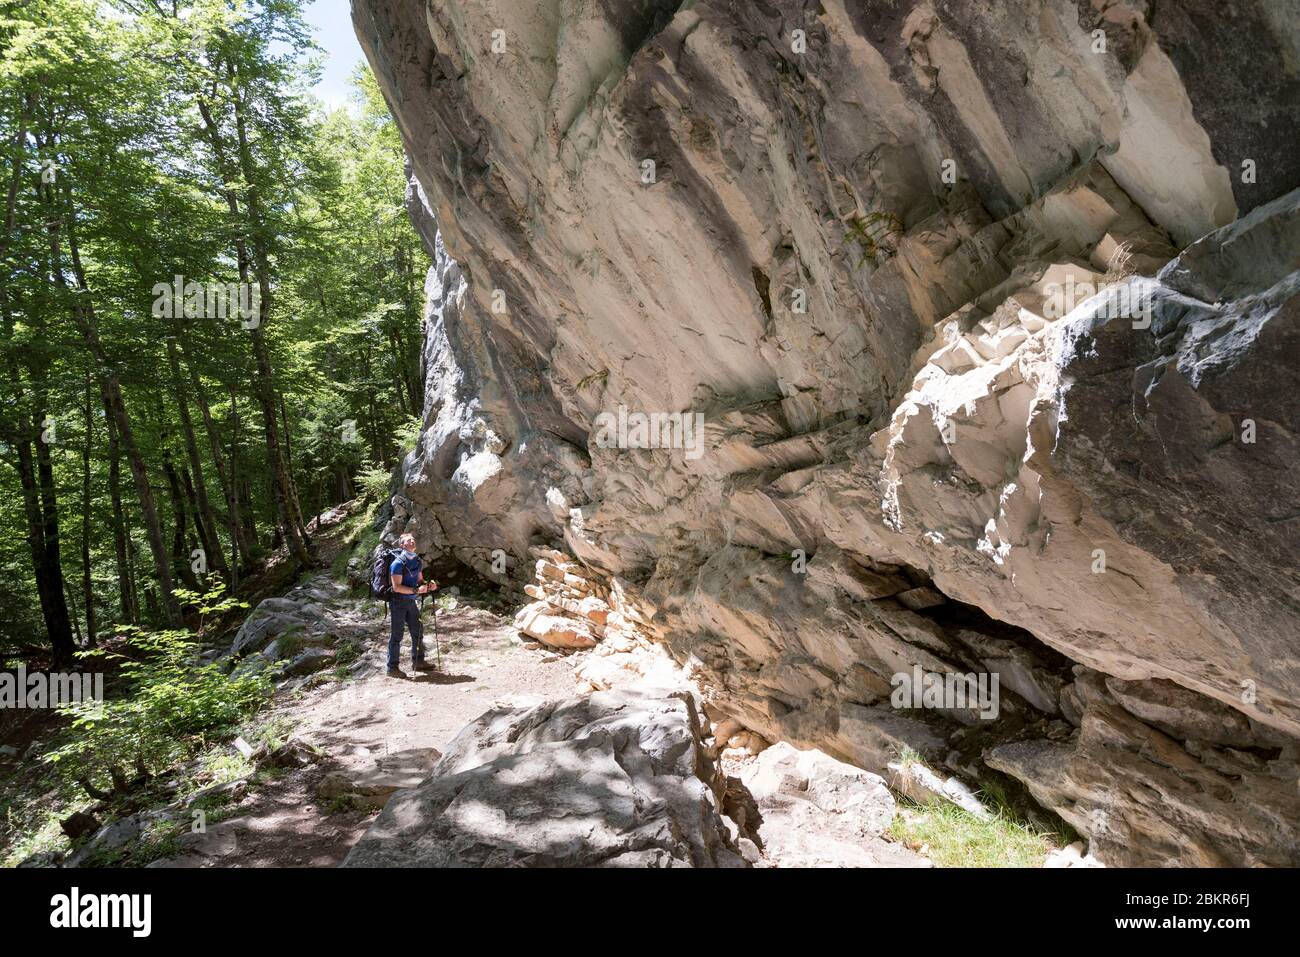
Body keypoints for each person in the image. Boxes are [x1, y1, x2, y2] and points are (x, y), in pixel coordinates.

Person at [387, 532, 436, 677]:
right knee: (397, 635)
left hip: (410, 600)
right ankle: (392, 668)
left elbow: (420, 581)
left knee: (418, 630)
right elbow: (396, 587)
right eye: (409, 540)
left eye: (413, 540)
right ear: (402, 545)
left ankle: (418, 661)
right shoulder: (397, 563)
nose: (413, 541)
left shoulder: (417, 561)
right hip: (397, 602)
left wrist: (428, 586)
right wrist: (416, 590)